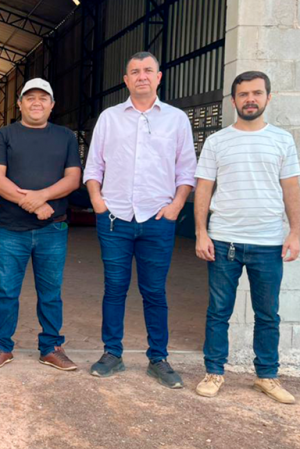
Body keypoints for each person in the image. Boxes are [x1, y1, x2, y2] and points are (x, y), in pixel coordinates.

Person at [83, 51, 197, 388]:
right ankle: (112, 354)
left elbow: (186, 169)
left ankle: (158, 358)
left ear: (159, 77)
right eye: (135, 71)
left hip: (158, 218)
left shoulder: (176, 119)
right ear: (126, 80)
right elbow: (94, 166)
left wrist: (177, 205)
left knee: (154, 291)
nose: (142, 76)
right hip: (115, 218)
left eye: (148, 70)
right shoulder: (109, 117)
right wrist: (97, 201)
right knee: (114, 289)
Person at [194, 71, 299, 404]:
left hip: (268, 242)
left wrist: (295, 231)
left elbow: (291, 188)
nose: (250, 99)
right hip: (224, 240)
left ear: (269, 97)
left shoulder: (282, 140)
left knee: (267, 314)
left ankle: (266, 376)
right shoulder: (217, 141)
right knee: (218, 311)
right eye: (243, 94)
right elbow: (204, 188)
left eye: (256, 93)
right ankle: (214, 372)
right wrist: (201, 232)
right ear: (234, 100)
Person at [0, 78, 82, 373]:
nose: (36, 103)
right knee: (6, 292)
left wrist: (42, 197)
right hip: (11, 229)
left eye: (43, 98)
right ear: (20, 104)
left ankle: (51, 347)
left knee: (51, 292)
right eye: (30, 98)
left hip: (53, 229)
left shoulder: (65, 137)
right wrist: (35, 204)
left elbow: (73, 179)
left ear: (52, 105)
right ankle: (1, 346)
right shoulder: (5, 135)